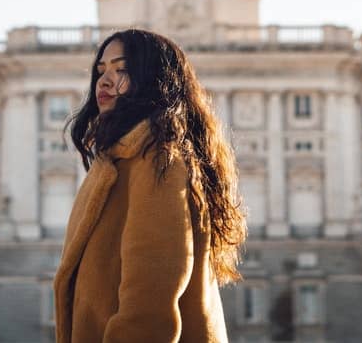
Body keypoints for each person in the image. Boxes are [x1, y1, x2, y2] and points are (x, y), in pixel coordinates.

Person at [53, 29, 247, 343]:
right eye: (101, 71)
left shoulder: (157, 158)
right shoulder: (121, 160)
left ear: (153, 80)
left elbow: (150, 298)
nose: (104, 81)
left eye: (121, 69)